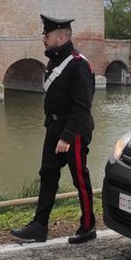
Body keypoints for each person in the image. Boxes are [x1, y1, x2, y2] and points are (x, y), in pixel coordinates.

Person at [11, 15, 97, 245]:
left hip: (74, 131)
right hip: (56, 127)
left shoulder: (78, 64)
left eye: (46, 36)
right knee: (47, 175)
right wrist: (51, 127)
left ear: (60, 37)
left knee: (80, 178)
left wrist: (67, 137)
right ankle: (39, 227)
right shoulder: (56, 61)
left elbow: (82, 107)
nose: (43, 39)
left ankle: (88, 226)